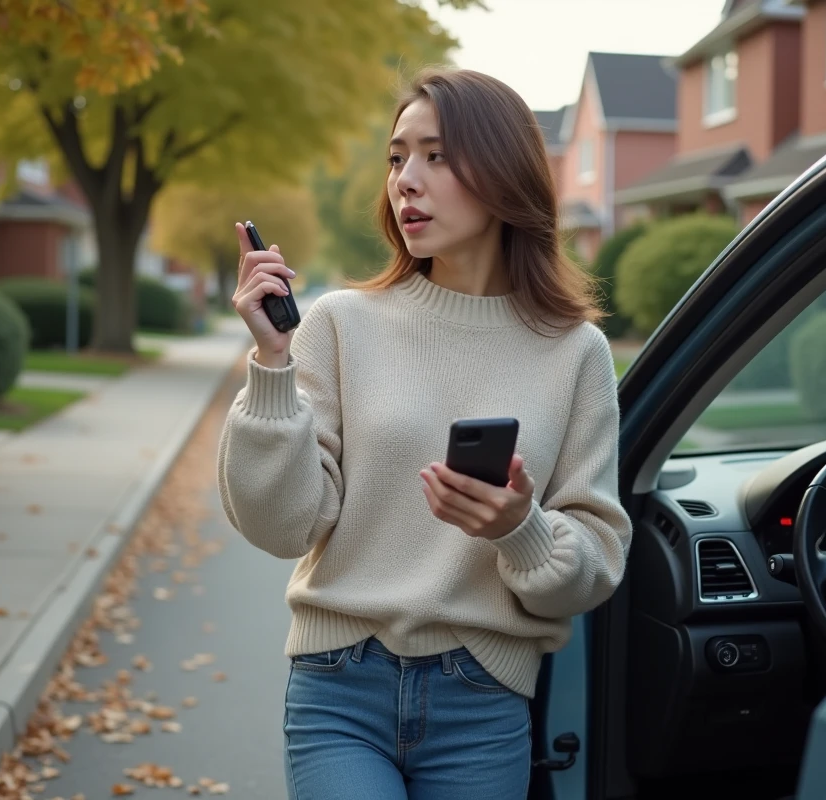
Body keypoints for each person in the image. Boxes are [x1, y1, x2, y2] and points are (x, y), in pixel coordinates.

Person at [218, 66, 633, 800]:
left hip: (484, 702)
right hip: (339, 687)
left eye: (436, 155)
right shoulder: (341, 323)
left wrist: (521, 529)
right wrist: (272, 364)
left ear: (506, 169)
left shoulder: (575, 353)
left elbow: (594, 566)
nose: (406, 179)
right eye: (396, 157)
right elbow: (282, 526)